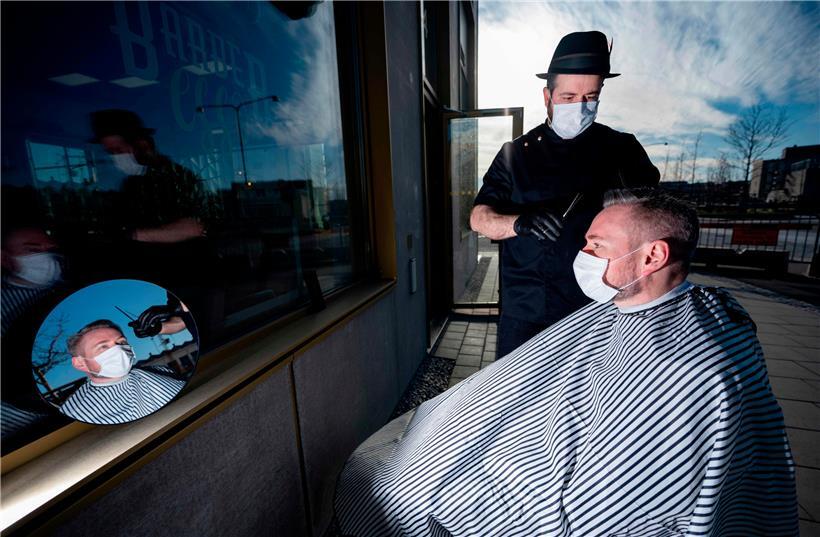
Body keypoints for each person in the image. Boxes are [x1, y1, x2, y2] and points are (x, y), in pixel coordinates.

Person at [334, 189, 797, 536]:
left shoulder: (685, 370)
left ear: (653, 255)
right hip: (532, 438)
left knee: (402, 497)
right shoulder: (624, 306)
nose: (583, 256)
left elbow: (613, 505)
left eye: (596, 245)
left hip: (552, 486)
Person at [470, 31, 660, 358]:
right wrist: (520, 223)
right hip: (525, 311)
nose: (581, 107)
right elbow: (478, 219)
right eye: (569, 97)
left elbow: (656, 222)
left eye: (591, 97)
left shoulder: (623, 150)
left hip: (597, 311)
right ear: (547, 96)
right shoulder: (514, 154)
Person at [59, 320, 187, 424]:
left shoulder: (162, 371)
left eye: (121, 342)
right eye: (103, 346)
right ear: (80, 363)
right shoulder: (75, 413)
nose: (119, 349)